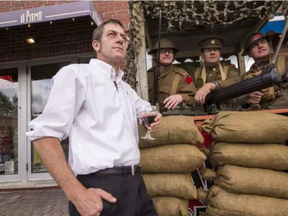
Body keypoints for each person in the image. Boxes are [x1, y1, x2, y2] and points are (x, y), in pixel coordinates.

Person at [25, 19, 162, 216]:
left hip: (136, 185)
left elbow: (145, 109)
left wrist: (152, 116)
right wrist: (76, 193)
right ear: (96, 45)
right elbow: (43, 136)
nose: (120, 40)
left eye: (123, 37)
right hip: (101, 186)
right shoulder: (77, 75)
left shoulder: (125, 88)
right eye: (112, 35)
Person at [239, 32, 288, 110]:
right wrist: (245, 99)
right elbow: (237, 101)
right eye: (254, 45)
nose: (260, 46)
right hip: (255, 115)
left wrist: (268, 110)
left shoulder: (285, 62)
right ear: (249, 54)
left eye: (263, 42)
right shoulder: (246, 76)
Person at [147, 39, 197, 112]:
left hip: (171, 119)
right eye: (162, 51)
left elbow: (195, 99)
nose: (167, 54)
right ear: (155, 55)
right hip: (149, 117)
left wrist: (181, 97)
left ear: (173, 55)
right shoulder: (147, 75)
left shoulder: (183, 76)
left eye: (170, 51)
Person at [194, 36, 241, 105]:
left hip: (228, 110)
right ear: (202, 55)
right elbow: (189, 92)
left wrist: (211, 85)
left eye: (215, 50)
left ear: (219, 53)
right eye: (208, 50)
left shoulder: (230, 68)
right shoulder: (195, 72)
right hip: (202, 112)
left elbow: (235, 81)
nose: (212, 53)